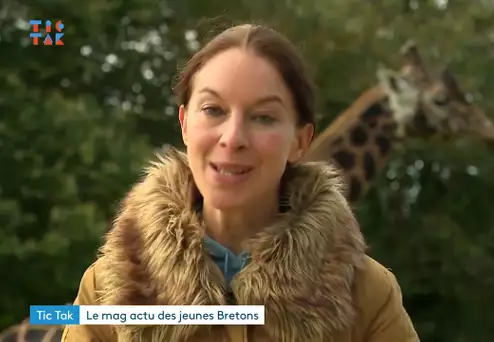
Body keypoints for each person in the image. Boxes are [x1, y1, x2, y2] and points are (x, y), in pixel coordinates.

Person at [61, 23, 420, 342]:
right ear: (185, 124)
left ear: (300, 141)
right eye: (213, 110)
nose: (233, 138)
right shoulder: (108, 287)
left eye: (263, 117)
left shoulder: (368, 295)